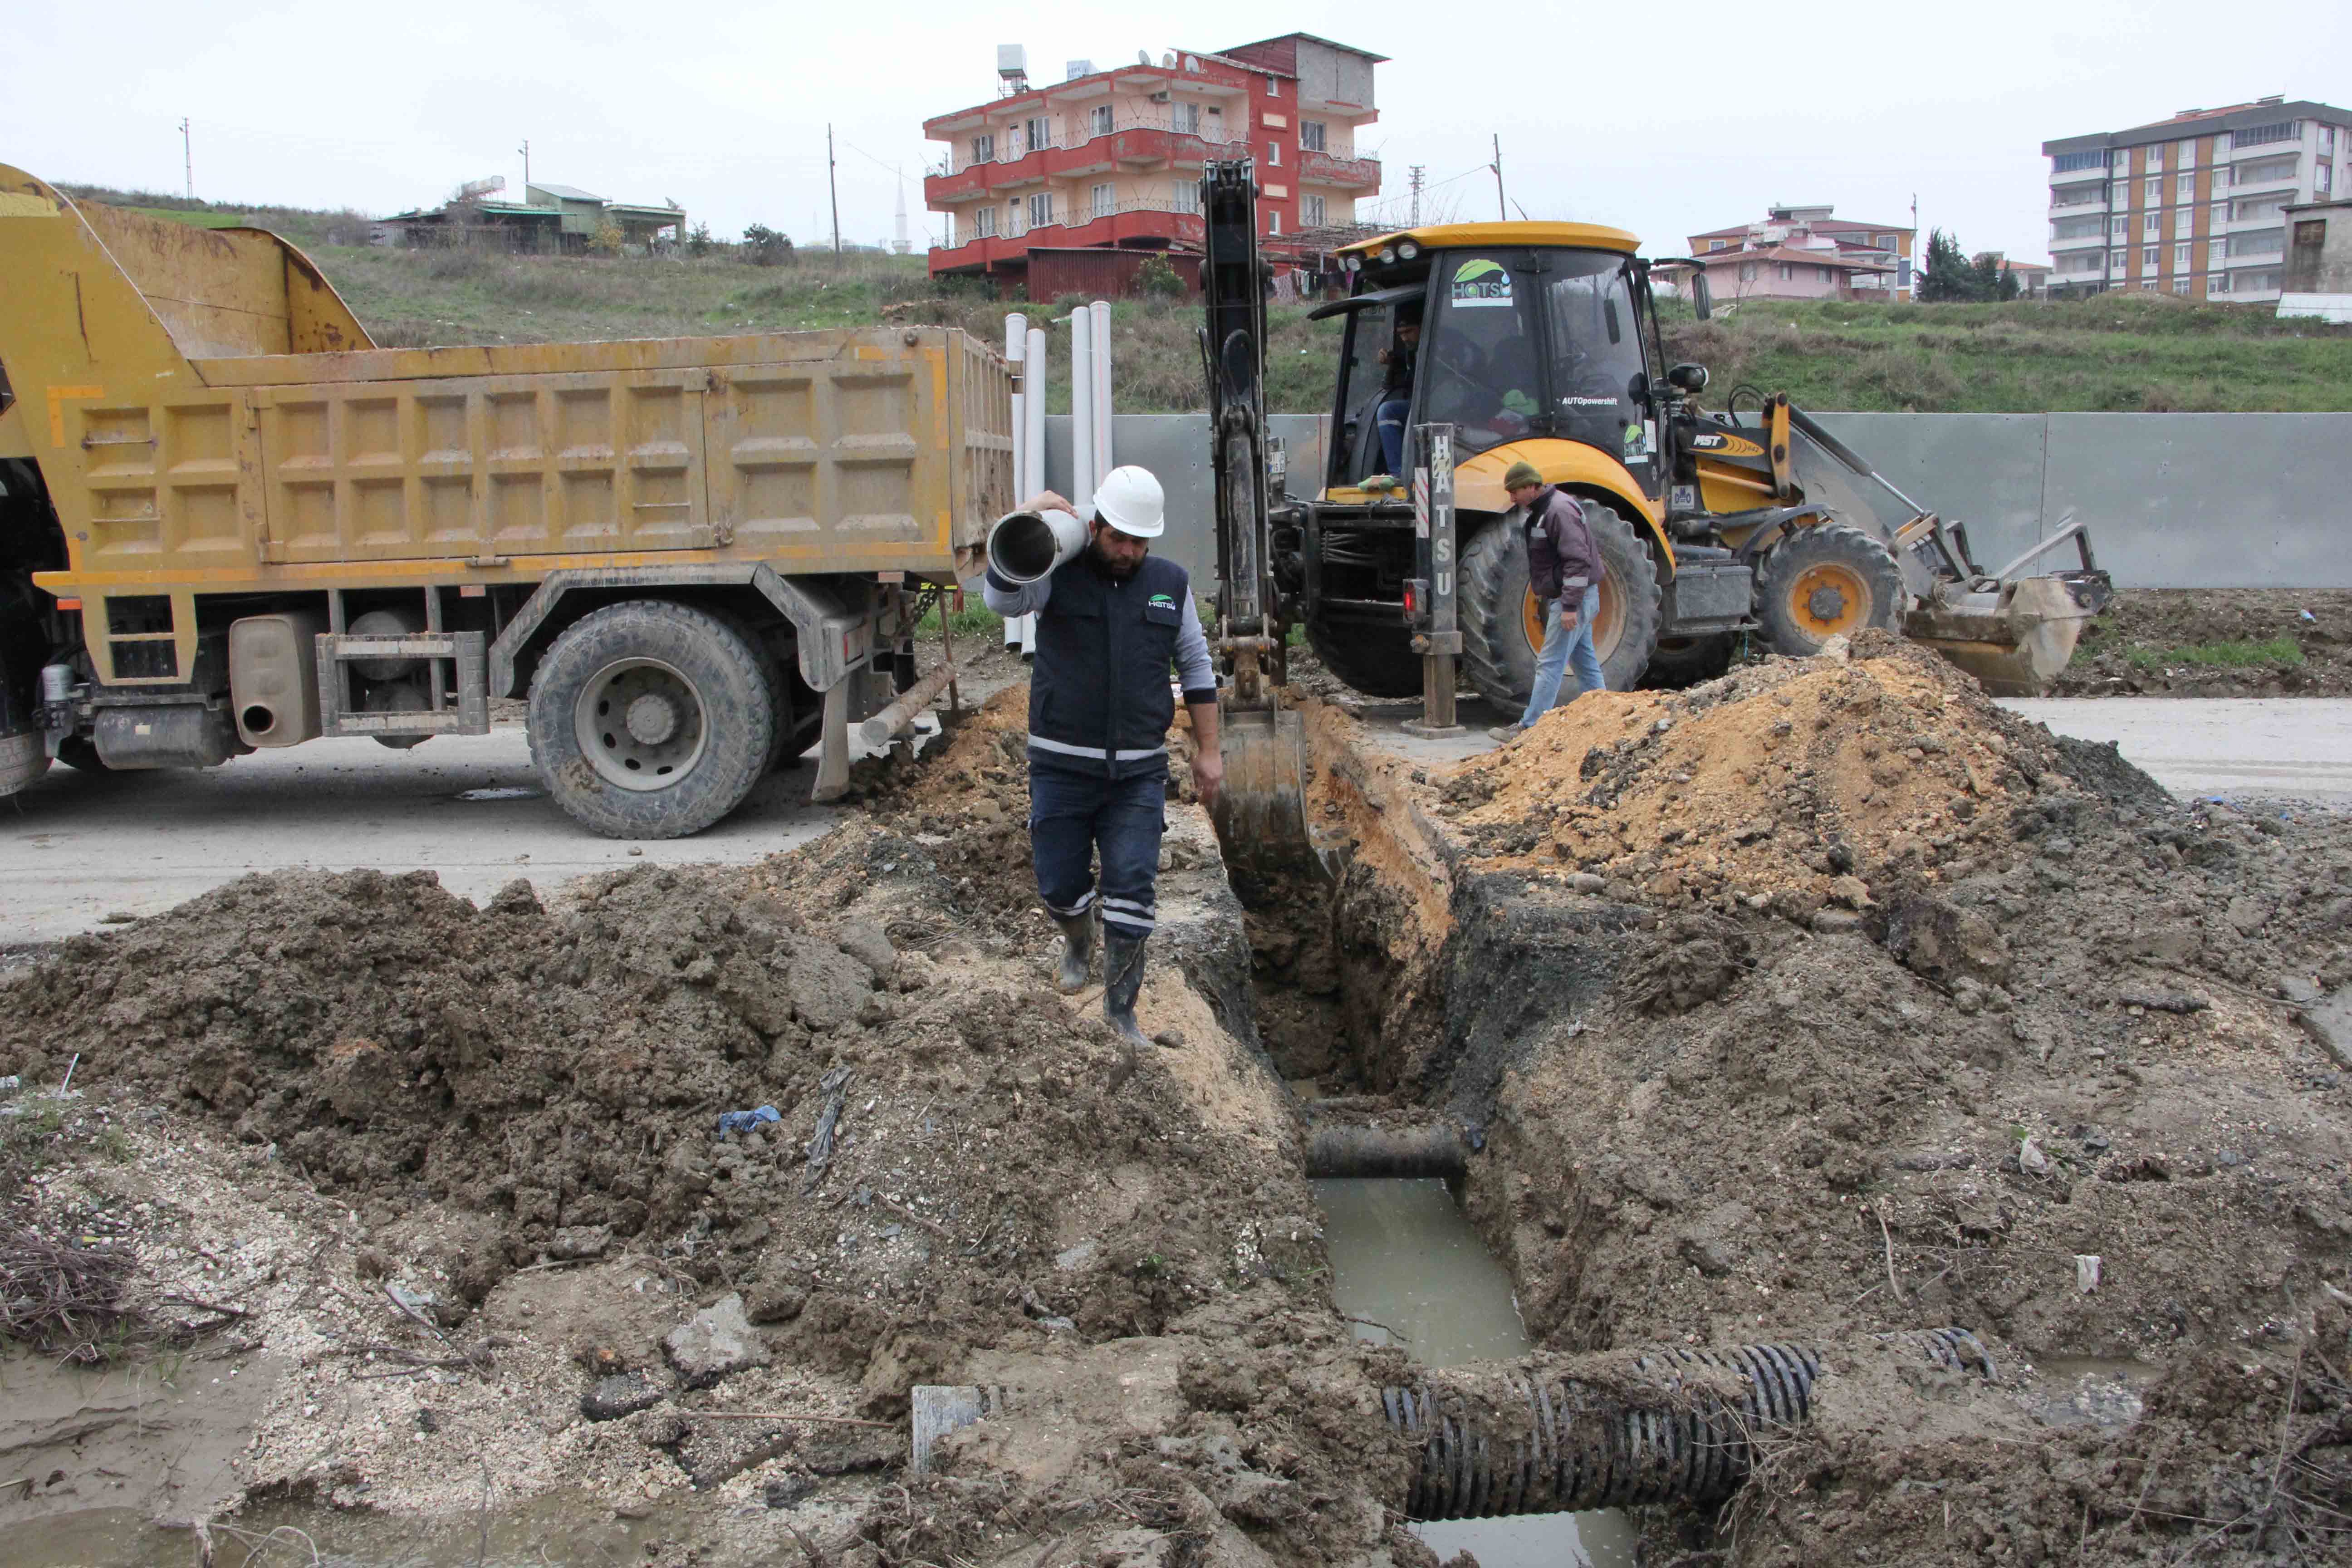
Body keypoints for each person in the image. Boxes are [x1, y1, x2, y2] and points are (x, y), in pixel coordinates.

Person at [981, 467, 1224, 1045]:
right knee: (1059, 884)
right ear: (1095, 526)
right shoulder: (1057, 571)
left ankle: (1121, 1013)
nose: (1129, 552)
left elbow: (1196, 667)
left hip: (1137, 774)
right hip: (1061, 768)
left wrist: (1209, 751)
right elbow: (998, 598)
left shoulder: (1171, 584)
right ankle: (1076, 937)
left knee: (1133, 888)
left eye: (1141, 542)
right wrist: (1025, 516)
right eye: (1119, 539)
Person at [1489, 460, 1607, 741]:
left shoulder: (1559, 511)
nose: (1512, 498)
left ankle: (1530, 729)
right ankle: (1607, 718)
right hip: (1576, 598)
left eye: (1515, 491)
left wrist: (1569, 607)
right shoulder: (1545, 511)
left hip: (1574, 600)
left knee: (1551, 662)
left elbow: (1578, 562)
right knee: (1585, 661)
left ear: (1531, 486)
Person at [1371, 309, 1421, 480]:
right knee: (1387, 410)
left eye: (1409, 332)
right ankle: (1398, 473)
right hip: (1420, 407)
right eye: (1401, 334)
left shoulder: (1440, 349)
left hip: (1443, 408)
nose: (1405, 338)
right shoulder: (1411, 354)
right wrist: (1391, 365)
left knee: (1389, 411)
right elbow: (1388, 386)